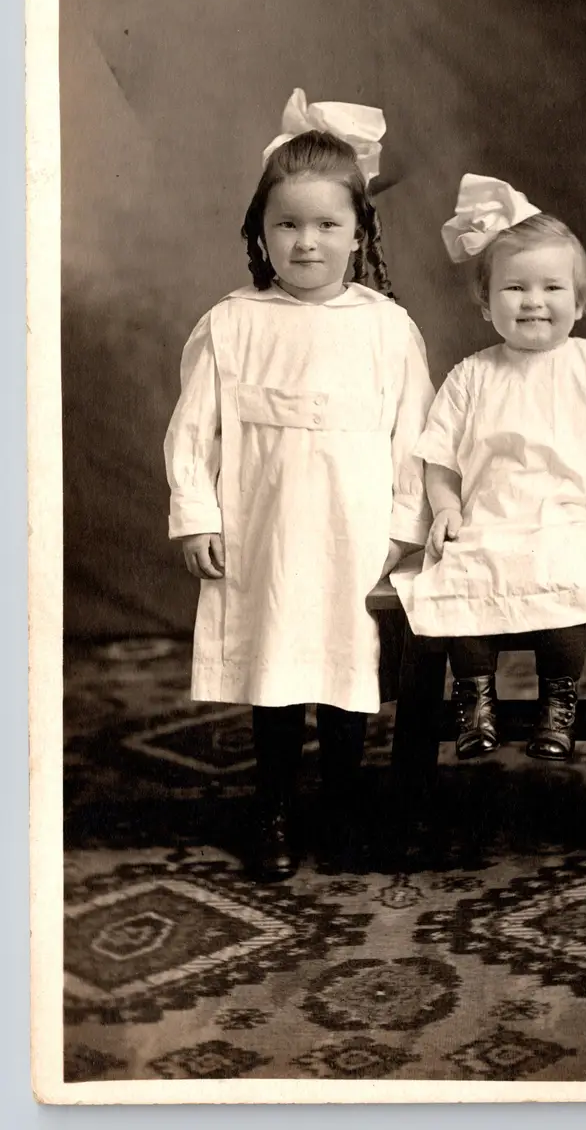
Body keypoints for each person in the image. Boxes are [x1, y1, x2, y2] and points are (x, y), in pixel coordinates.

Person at [165, 89, 434, 879]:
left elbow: (415, 438)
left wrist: (402, 528)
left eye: (326, 225)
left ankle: (342, 809)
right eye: (287, 224)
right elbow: (192, 432)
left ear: (360, 232)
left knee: (347, 671)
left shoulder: (386, 328)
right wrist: (197, 514)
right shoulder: (232, 324)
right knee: (278, 669)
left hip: (356, 535)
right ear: (261, 231)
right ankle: (274, 808)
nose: (306, 243)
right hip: (266, 531)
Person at [392, 173, 586, 764]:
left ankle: (559, 698)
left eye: (552, 288)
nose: (533, 301)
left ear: (579, 302)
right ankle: (475, 699)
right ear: (485, 302)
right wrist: (447, 509)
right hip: (492, 523)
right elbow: (440, 458)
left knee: (567, 569)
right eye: (514, 288)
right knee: (458, 571)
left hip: (577, 520)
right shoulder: (471, 377)